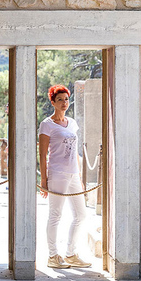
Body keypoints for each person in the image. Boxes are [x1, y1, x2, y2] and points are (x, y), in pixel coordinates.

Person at [38, 84, 91, 269]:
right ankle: (53, 256)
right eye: (59, 99)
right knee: (55, 215)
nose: (64, 103)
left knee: (81, 215)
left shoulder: (72, 123)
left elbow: (75, 151)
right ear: (52, 102)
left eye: (66, 99)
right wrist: (43, 181)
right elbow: (43, 154)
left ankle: (71, 254)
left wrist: (80, 176)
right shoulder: (47, 124)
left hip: (73, 174)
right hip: (57, 174)